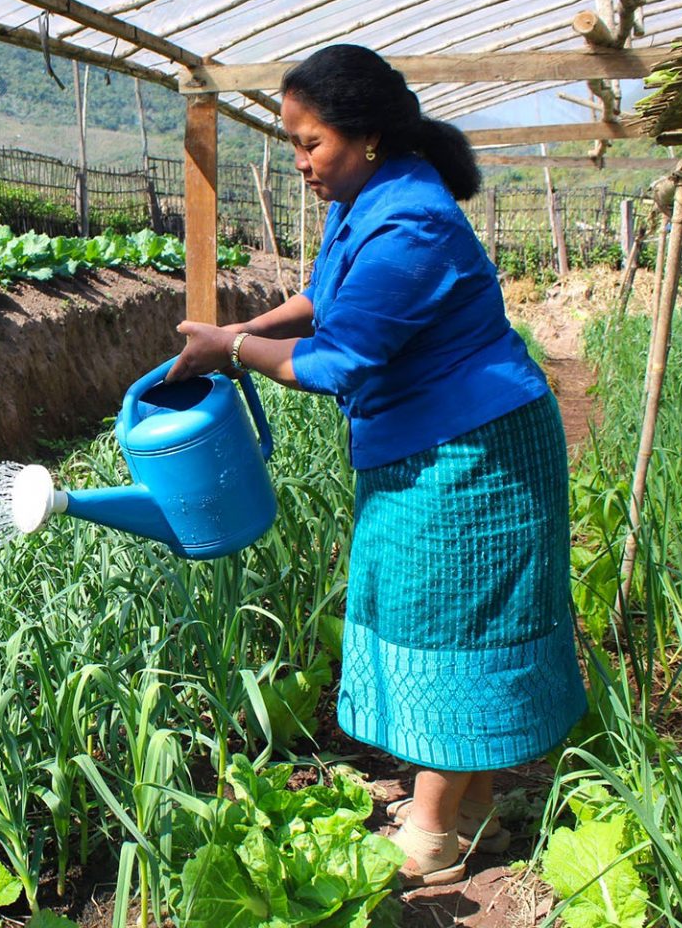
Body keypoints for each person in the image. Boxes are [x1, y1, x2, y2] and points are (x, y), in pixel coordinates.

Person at [168, 44, 587, 887]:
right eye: (294, 142)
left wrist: (238, 348)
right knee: (457, 616)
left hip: (473, 454)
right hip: (435, 443)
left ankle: (430, 833)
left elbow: (340, 359)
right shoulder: (368, 198)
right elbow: (328, 293)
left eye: (310, 143)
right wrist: (240, 333)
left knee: (458, 626)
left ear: (366, 139)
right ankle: (470, 809)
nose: (300, 163)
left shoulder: (413, 223)